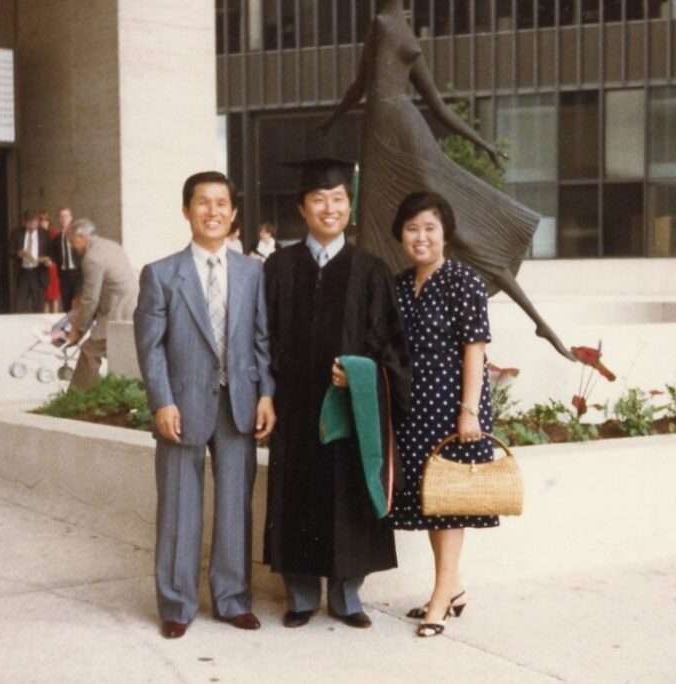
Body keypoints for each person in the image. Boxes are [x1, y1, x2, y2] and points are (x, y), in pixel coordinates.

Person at [315, 0, 572, 361]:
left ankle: (537, 319)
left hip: (396, 127)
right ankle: (374, 338)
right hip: (385, 129)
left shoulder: (395, 28)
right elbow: (363, 85)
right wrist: (331, 120)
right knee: (389, 223)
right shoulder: (385, 24)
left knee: (445, 216)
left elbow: (437, 104)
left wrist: (482, 143)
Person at [263, 158, 411, 630]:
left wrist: (362, 374)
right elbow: (261, 337)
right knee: (297, 491)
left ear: (349, 205)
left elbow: (390, 344)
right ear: (302, 208)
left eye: (338, 199)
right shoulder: (279, 266)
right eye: (319, 199)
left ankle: (348, 596)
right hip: (295, 405)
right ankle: (302, 595)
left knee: (348, 493)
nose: (330, 208)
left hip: (350, 409)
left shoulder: (370, 270)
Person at [133, 171, 276, 640]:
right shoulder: (160, 274)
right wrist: (162, 401)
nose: (212, 211)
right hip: (182, 405)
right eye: (202, 203)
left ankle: (232, 599)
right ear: (186, 210)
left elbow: (261, 340)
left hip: (239, 402)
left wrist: (267, 394)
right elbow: (151, 347)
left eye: (221, 204)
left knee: (235, 503)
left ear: (234, 214)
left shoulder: (254, 272)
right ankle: (176, 603)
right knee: (178, 505)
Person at [386, 191, 498, 638]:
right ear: (401, 236)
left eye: (429, 228)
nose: (421, 237)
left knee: (449, 504)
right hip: (415, 412)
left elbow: (476, 351)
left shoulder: (464, 282)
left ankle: (440, 598)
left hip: (454, 410)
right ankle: (452, 589)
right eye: (412, 228)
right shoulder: (398, 285)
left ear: (445, 233)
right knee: (434, 504)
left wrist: (469, 412)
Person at [65, 218, 140, 390]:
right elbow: (106, 283)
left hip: (118, 310)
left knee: (90, 351)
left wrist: (78, 329)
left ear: (82, 237)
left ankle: (77, 398)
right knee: (121, 353)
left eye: (72, 241)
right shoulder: (111, 245)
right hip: (131, 305)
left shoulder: (92, 258)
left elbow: (91, 299)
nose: (72, 247)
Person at [11, 210, 53, 313]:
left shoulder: (45, 234)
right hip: (23, 273)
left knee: (38, 307)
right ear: (24, 223)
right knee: (19, 306)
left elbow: (51, 252)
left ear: (38, 222)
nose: (32, 225)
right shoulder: (16, 233)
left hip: (38, 273)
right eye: (29, 222)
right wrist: (18, 253)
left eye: (35, 222)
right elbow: (9, 250)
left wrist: (48, 260)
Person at [53, 206, 83, 313]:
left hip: (78, 273)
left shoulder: (78, 236)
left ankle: (78, 327)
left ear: (71, 218)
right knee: (66, 304)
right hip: (64, 275)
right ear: (59, 219)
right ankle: (67, 327)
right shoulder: (56, 240)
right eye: (61, 217)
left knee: (77, 302)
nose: (64, 219)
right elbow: (54, 257)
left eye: (66, 216)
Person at [41, 211, 62, 313]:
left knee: (54, 297)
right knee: (44, 299)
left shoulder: (54, 234)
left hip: (52, 269)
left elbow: (59, 252)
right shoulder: (35, 235)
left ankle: (55, 321)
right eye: (41, 220)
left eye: (46, 220)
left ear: (49, 222)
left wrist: (52, 261)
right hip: (40, 269)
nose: (43, 222)